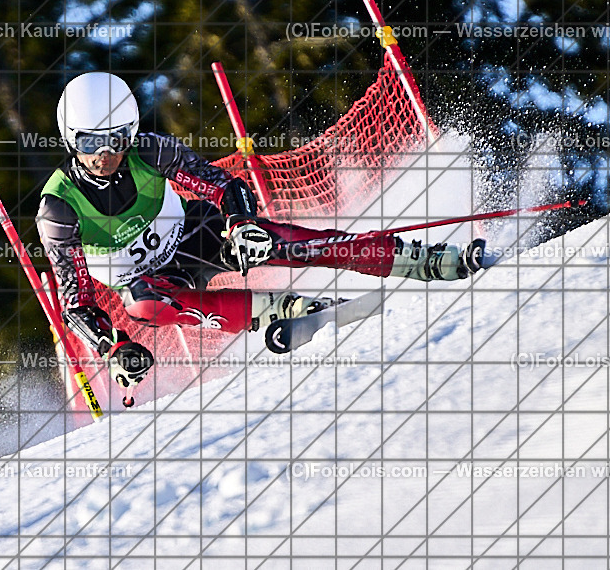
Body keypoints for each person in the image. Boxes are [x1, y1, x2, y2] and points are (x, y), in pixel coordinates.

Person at [37, 72, 484, 388]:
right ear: (69, 138)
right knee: (144, 305)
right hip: (152, 281)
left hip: (194, 235)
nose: (105, 154)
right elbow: (76, 298)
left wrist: (241, 223)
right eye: (90, 142)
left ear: (131, 132)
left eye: (116, 138)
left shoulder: (151, 152)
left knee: (277, 240)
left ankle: (416, 258)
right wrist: (111, 348)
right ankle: (282, 311)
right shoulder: (59, 208)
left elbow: (221, 184)